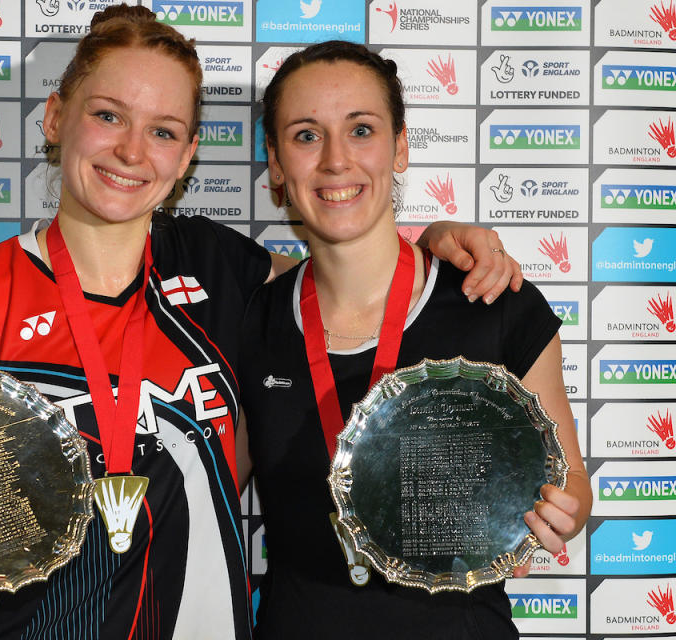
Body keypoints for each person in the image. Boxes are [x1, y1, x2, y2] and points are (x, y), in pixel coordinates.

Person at [0, 8, 524, 639]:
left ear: (189, 153)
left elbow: (352, 271)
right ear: (56, 118)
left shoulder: (222, 270)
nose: (132, 151)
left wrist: (443, 240)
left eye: (163, 131)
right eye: (107, 116)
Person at [238, 41, 592, 639]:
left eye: (361, 129)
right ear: (274, 162)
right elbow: (209, 489)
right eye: (305, 135)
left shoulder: (493, 301)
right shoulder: (252, 319)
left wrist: (563, 511)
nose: (334, 161)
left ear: (400, 146)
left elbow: (572, 485)